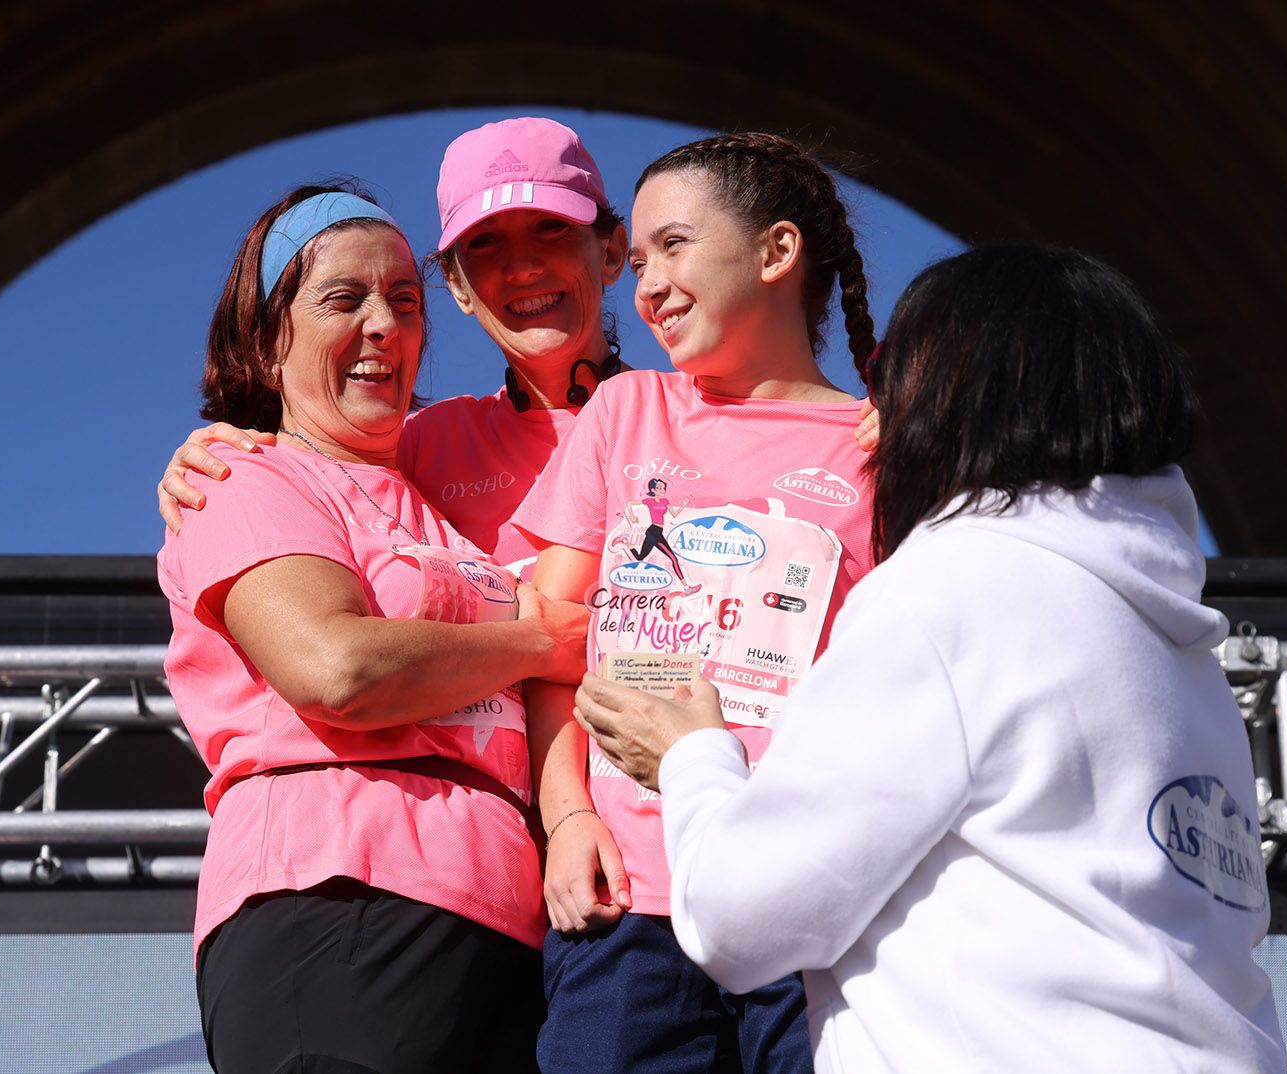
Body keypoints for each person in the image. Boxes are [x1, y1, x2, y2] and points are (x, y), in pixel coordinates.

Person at [571, 245, 1287, 1074]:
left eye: (894, 379)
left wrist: (693, 757)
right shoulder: (1188, 662)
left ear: (954, 392)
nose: (879, 414)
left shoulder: (953, 591)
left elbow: (740, 918)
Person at [156, 182, 587, 1073]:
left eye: (404, 300)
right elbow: (337, 669)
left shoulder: (441, 502)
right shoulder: (245, 478)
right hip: (336, 898)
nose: (384, 325)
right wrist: (541, 640)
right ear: (266, 340)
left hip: (505, 924)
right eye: (344, 299)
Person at [512, 132, 879, 1074]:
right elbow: (547, 641)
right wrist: (568, 818)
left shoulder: (886, 447)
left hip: (810, 899)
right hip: (630, 898)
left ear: (777, 250)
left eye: (673, 246)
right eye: (637, 263)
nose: (648, 286)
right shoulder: (624, 412)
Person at [157, 117, 879, 577]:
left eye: (550, 229)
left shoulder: (690, 419)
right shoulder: (420, 447)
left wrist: (902, 427)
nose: (523, 267)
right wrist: (223, 452)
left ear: (610, 253)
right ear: (457, 287)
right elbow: (308, 481)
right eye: (485, 245)